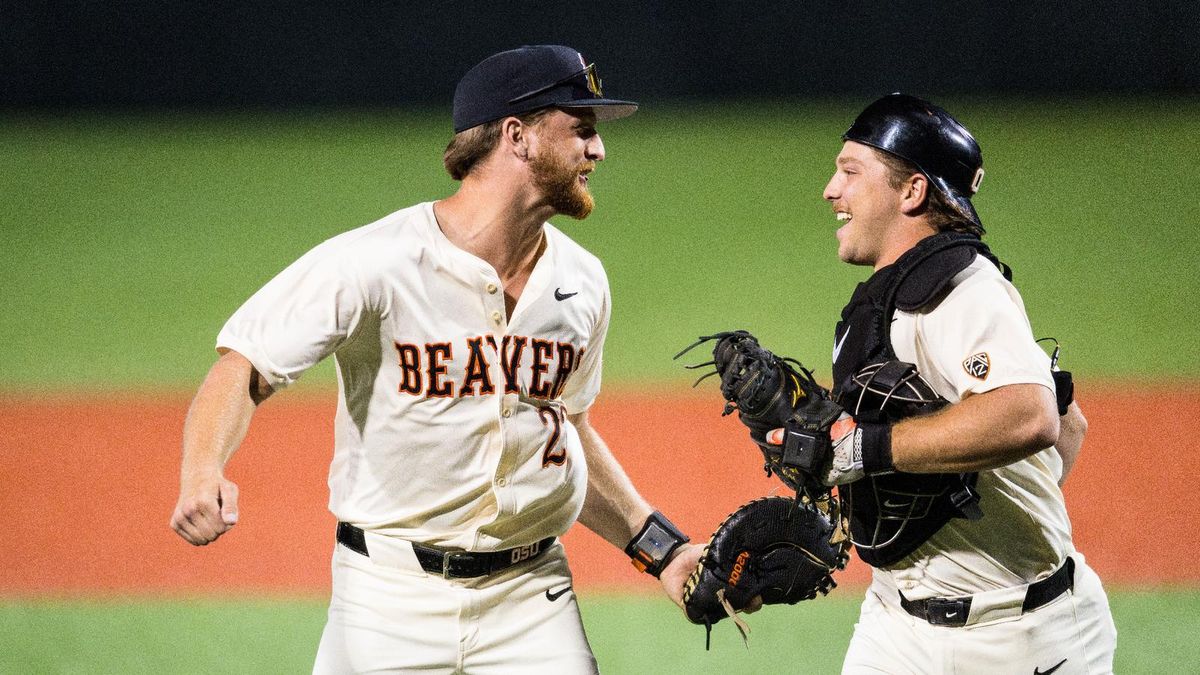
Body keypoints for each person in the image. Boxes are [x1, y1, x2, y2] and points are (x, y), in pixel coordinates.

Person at [169, 44, 702, 674]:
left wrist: (662, 551)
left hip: (532, 598)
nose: (599, 150)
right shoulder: (375, 263)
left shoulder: (582, 281)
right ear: (517, 136)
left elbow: (566, 428)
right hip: (384, 602)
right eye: (581, 130)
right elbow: (244, 365)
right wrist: (202, 469)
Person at [770, 93, 1116, 673]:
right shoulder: (900, 291)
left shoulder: (963, 288)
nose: (831, 190)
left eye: (851, 172)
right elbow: (1068, 420)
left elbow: (1034, 417)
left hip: (1018, 637)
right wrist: (968, 497)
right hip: (896, 625)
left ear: (912, 191)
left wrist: (871, 450)